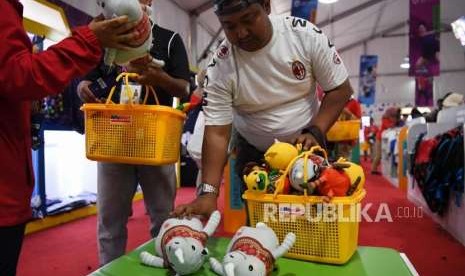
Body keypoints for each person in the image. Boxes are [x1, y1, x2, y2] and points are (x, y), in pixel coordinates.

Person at [172, 0, 353, 218]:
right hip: (255, 156)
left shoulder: (305, 35)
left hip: (307, 149)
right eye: (229, 26)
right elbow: (217, 132)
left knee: (311, 218)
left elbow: (340, 89)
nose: (241, 33)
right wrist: (207, 195)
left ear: (266, 6)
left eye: (248, 20)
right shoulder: (220, 67)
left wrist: (316, 130)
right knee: (261, 227)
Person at [0, 1, 140, 275]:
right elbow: (19, 75)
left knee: (159, 211)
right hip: (108, 136)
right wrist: (89, 50)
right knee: (110, 220)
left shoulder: (168, 41)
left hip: (148, 134)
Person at [77, 0, 191, 266]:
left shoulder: (169, 39)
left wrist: (157, 77)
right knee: (109, 222)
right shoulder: (105, 37)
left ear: (148, 2)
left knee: (164, 219)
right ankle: (109, 271)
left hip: (155, 141)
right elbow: (86, 78)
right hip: (112, 140)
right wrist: (82, 86)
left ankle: (169, 266)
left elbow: (184, 89)